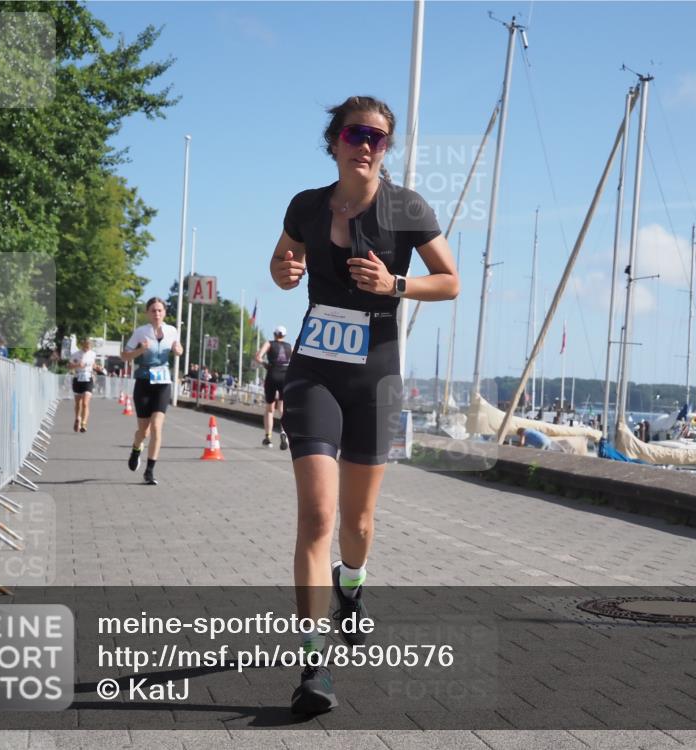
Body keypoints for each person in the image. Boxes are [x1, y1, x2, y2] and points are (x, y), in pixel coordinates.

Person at [270, 95, 459, 715]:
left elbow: (451, 280)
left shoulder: (406, 207)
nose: (368, 145)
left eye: (379, 138)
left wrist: (398, 284)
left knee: (357, 527)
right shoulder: (305, 204)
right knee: (318, 520)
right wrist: (286, 271)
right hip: (314, 373)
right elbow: (280, 260)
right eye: (356, 134)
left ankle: (352, 586)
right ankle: (312, 664)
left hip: (375, 380)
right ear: (334, 141)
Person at [120, 297, 183, 485]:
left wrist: (178, 349)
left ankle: (149, 471)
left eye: (160, 310)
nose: (157, 314)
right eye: (153, 310)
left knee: (156, 426)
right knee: (143, 430)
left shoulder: (172, 331)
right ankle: (136, 448)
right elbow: (124, 356)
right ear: (147, 313)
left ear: (165, 313)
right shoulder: (140, 332)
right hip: (144, 382)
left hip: (163, 382)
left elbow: (178, 349)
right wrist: (140, 350)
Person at [254, 325, 292, 449]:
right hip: (285, 376)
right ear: (284, 336)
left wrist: (265, 364)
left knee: (270, 408)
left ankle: (268, 437)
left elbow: (258, 357)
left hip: (272, 373)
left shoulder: (269, 343)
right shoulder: (289, 346)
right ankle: (283, 432)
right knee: (282, 407)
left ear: (274, 334)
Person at [69, 338, 101, 432]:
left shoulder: (92, 354)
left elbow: (93, 365)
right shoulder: (75, 354)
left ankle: (84, 424)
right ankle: (77, 418)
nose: (87, 348)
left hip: (88, 379)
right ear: (82, 345)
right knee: (78, 403)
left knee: (85, 403)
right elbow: (69, 366)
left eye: (89, 346)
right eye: (86, 346)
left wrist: (97, 368)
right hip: (78, 378)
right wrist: (78, 365)